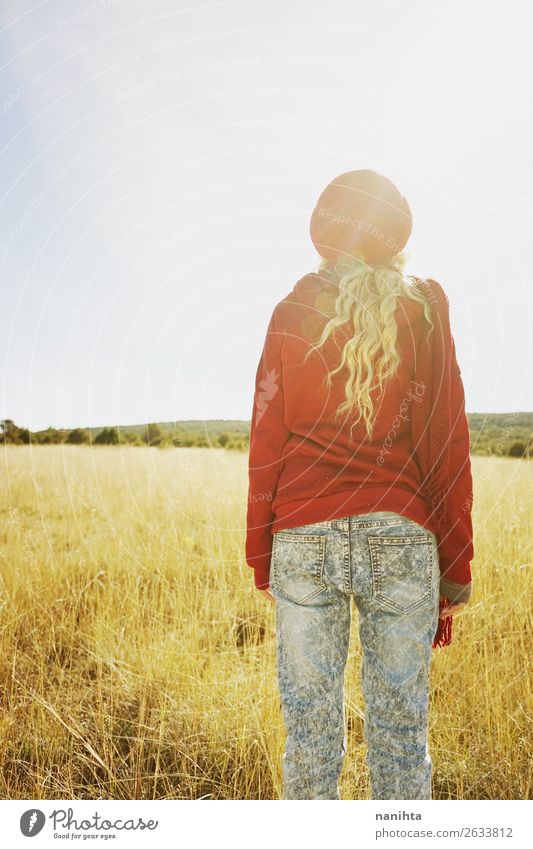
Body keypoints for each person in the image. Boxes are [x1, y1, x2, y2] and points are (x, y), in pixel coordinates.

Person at [245, 169, 474, 800]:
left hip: (301, 539)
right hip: (402, 539)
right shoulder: (424, 307)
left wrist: (261, 557)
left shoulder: (292, 310)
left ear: (323, 234)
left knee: (310, 737)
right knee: (401, 740)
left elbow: (266, 438)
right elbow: (446, 437)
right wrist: (455, 567)